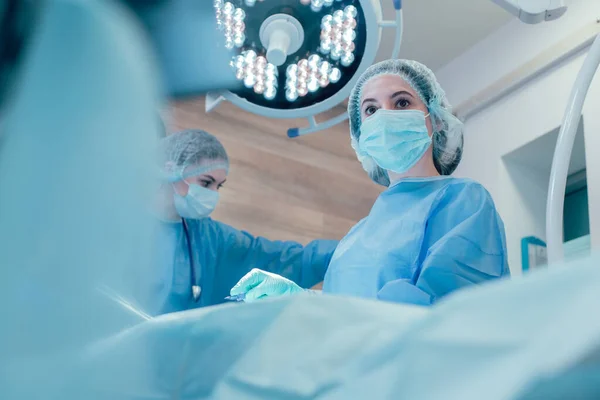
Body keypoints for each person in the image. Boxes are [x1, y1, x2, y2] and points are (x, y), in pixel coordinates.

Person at [231, 59, 510, 306]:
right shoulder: (355, 237)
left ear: (435, 119)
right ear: (361, 134)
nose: (385, 117)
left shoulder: (464, 202)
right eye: (371, 110)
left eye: (401, 102)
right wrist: (303, 302)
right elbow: (345, 315)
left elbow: (443, 314)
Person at [146, 129, 338, 314]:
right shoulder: (125, 221)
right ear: (170, 169)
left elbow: (278, 259)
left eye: (218, 186)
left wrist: (343, 252)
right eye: (206, 182)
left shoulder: (208, 238)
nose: (212, 194)